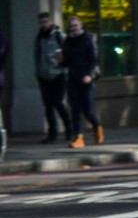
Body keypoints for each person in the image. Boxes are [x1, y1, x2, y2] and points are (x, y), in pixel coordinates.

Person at [61, 15, 102, 148]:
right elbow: (66, 62)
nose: (73, 29)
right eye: (71, 26)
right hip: (73, 78)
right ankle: (78, 137)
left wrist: (89, 75)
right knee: (75, 109)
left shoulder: (88, 39)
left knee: (87, 110)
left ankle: (97, 126)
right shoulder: (67, 41)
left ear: (81, 26)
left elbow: (93, 59)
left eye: (75, 26)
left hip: (86, 79)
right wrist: (60, 60)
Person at [34, 12, 71, 144]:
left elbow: (65, 54)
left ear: (50, 22)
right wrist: (38, 73)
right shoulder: (39, 37)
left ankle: (69, 128)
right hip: (44, 76)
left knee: (58, 102)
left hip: (58, 74)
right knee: (48, 106)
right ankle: (52, 133)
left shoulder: (57, 36)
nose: (43, 24)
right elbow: (37, 56)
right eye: (41, 22)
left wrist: (62, 67)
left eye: (45, 22)